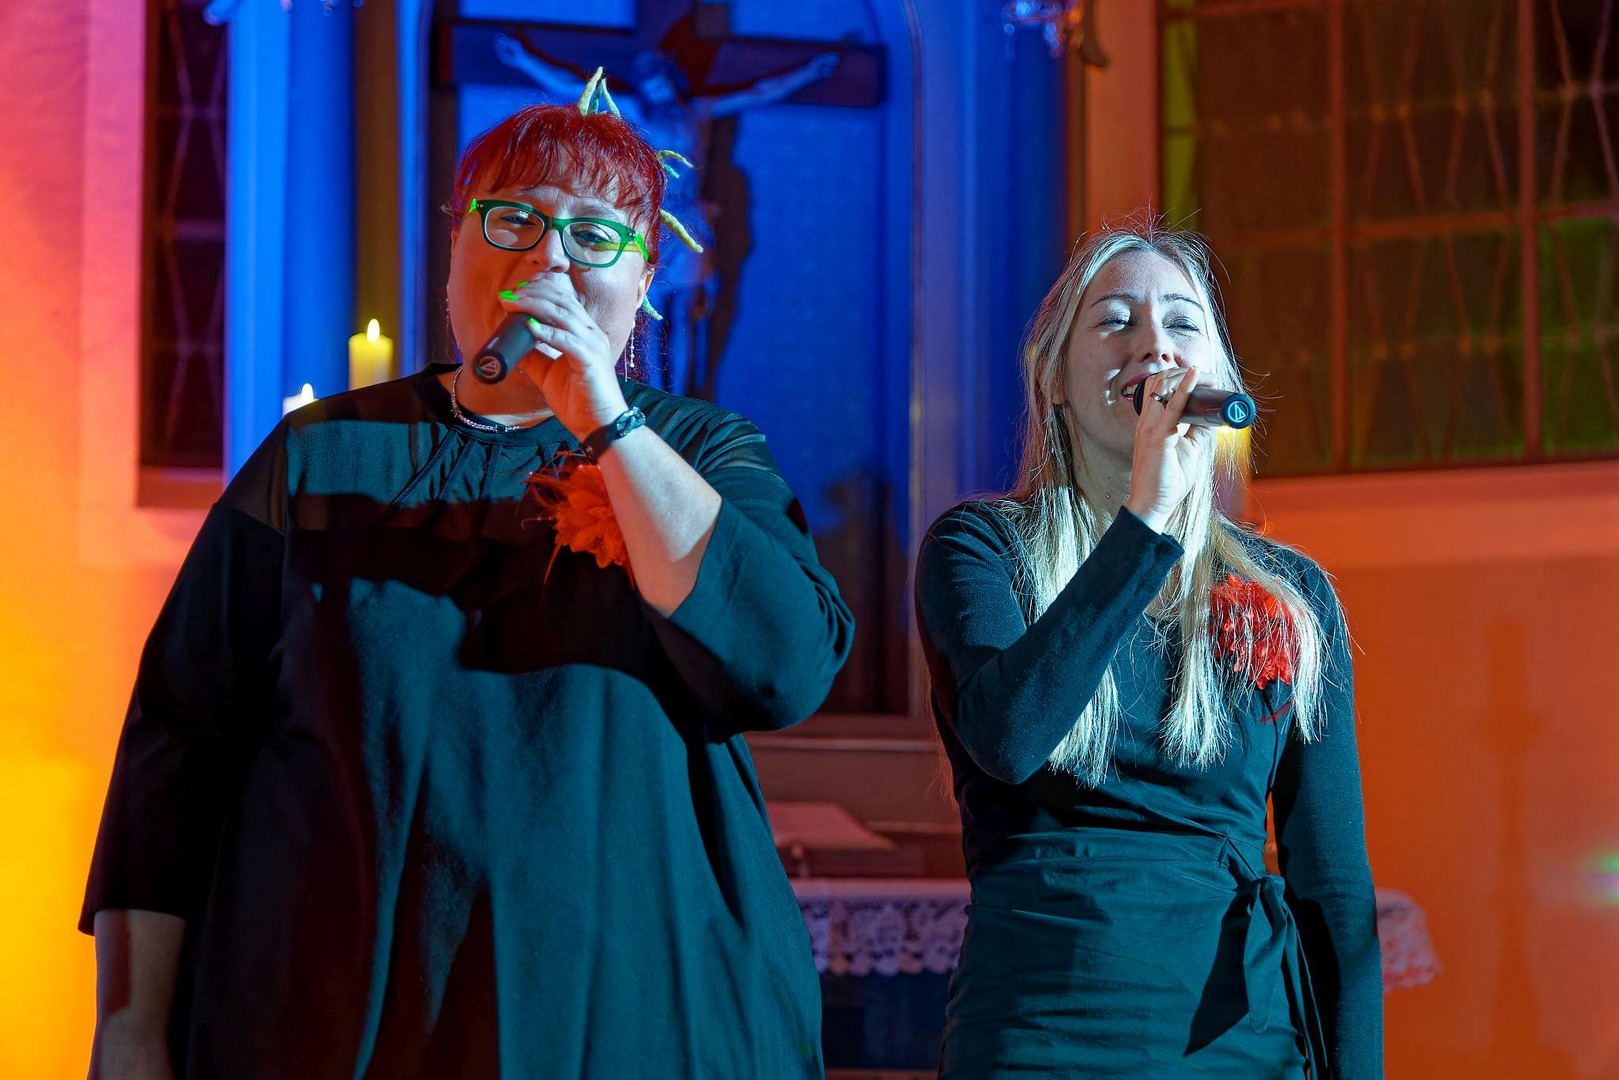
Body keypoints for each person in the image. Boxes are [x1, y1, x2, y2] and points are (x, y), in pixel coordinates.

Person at [82, 100, 854, 1079]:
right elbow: (178, 741)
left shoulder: (700, 450)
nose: (550, 257)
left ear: (644, 280)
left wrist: (606, 423)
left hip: (634, 1014)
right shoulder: (322, 456)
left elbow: (783, 667)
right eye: (515, 218)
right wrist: (130, 1025)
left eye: (594, 235)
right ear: (456, 247)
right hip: (346, 1011)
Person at [914, 218, 1381, 1078]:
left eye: (1180, 323)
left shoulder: (1291, 593)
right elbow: (1009, 739)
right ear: (1054, 379)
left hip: (1241, 1047)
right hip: (1040, 1036)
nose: (1153, 346)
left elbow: (1332, 885)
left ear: (1217, 376)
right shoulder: (981, 549)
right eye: (1115, 320)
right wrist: (1145, 520)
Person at [492, 38, 839, 398]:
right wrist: (525, 60)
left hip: (689, 221)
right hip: (653, 222)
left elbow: (757, 92)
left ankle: (685, 394)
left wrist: (808, 72)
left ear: (674, 81)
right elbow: (574, 88)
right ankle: (657, 394)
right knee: (651, 314)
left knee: (688, 314)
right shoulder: (634, 111)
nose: (658, 92)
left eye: (662, 83)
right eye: (651, 86)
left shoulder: (698, 112)